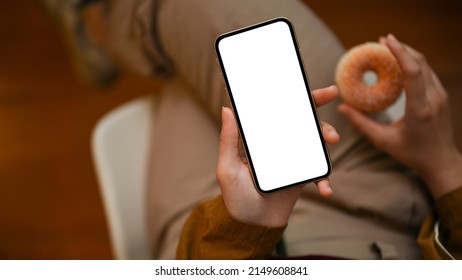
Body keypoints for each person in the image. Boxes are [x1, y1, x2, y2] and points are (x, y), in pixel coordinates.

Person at [43, 0, 461, 259]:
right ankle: (110, 26)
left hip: (222, 254)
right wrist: (442, 163)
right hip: (382, 230)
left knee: (190, 81)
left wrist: (240, 233)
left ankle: (100, 23)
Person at [176, 34, 462, 260]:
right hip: (412, 227)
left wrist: (240, 231)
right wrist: (443, 165)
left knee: (178, 95)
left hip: (266, 236)